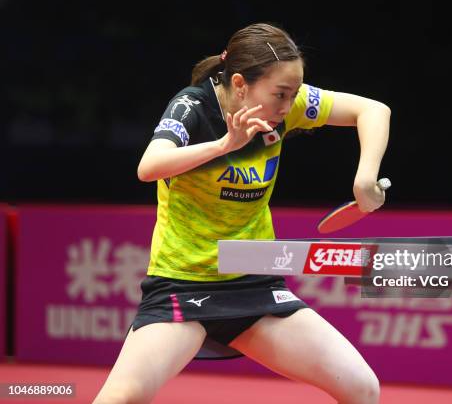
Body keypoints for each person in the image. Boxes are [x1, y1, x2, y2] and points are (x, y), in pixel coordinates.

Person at [94, 23, 390, 404]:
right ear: (239, 83)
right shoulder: (193, 107)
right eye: (280, 94)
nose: (288, 107)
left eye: (294, 94)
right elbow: (149, 166)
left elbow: (372, 110)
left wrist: (365, 177)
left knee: (362, 387)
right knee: (121, 398)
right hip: (184, 285)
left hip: (255, 284)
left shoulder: (286, 108)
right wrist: (223, 145)